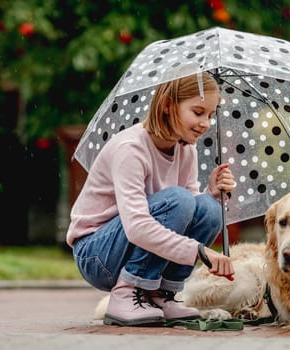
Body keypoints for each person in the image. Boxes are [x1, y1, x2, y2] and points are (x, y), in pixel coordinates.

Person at [66, 72, 235, 327]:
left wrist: (211, 193)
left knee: (209, 208)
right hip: (97, 254)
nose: (206, 123)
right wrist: (198, 250)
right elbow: (137, 226)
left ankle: (161, 294)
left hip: (131, 242)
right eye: (198, 112)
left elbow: (192, 213)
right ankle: (126, 292)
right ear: (168, 105)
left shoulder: (186, 149)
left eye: (211, 115)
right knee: (179, 200)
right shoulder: (131, 149)